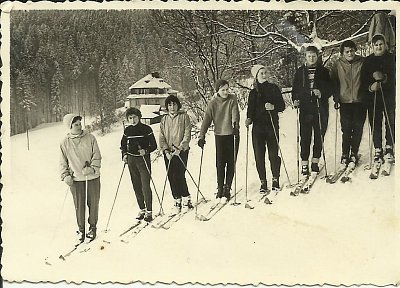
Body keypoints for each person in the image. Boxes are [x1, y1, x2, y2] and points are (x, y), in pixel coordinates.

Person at [60, 113, 102, 244]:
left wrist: (93, 168)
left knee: (93, 204)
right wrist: (65, 175)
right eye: (76, 124)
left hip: (92, 177)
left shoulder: (90, 138)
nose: (79, 126)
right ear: (70, 126)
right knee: (79, 206)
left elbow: (97, 155)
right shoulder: (65, 142)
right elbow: (62, 162)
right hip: (76, 180)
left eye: (80, 124)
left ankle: (92, 228)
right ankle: (81, 229)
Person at [292, 45, 332, 176]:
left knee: (319, 135)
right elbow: (295, 89)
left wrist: (321, 92)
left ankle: (315, 162)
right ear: (305, 57)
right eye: (309, 56)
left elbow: (330, 89)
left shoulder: (324, 71)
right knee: (305, 136)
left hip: (320, 107)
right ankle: (304, 163)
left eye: (314, 55)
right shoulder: (300, 71)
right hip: (305, 109)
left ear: (317, 56)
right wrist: (295, 99)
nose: (312, 58)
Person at [198, 79, 240, 204]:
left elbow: (235, 114)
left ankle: (227, 187)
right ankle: (220, 186)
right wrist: (201, 136)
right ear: (217, 91)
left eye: (227, 89)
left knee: (231, 162)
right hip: (219, 135)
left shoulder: (232, 99)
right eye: (223, 90)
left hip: (232, 134)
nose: (226, 92)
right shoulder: (213, 103)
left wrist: (235, 126)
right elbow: (207, 119)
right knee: (220, 163)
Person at [245, 65, 285, 193]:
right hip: (257, 128)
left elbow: (282, 106)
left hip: (271, 125)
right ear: (256, 76)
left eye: (265, 72)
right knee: (259, 156)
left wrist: (273, 106)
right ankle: (263, 181)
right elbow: (250, 110)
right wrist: (248, 119)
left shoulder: (273, 88)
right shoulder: (253, 92)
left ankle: (275, 178)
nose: (264, 75)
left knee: (273, 154)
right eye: (261, 73)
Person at [360, 33, 395, 165]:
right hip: (373, 97)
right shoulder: (368, 61)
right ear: (372, 46)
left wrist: (385, 79)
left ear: (385, 45)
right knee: (375, 122)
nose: (379, 47)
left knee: (390, 121)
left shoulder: (392, 58)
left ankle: (389, 147)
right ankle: (378, 148)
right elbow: (363, 81)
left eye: (381, 44)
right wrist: (371, 86)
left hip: (389, 96)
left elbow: (395, 77)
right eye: (376, 45)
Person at [330, 40, 366, 168]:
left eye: (351, 50)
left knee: (358, 128)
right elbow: (333, 82)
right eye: (347, 51)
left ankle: (354, 153)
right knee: (346, 129)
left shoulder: (362, 61)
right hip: (345, 102)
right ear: (342, 53)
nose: (350, 53)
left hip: (360, 101)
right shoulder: (337, 65)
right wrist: (336, 98)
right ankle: (345, 153)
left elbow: (367, 79)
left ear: (354, 50)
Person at [120, 107, 157, 222]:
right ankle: (142, 209)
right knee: (136, 185)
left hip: (143, 160)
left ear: (139, 117)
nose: (132, 120)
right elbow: (123, 144)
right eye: (130, 118)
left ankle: (149, 211)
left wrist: (145, 150)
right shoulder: (127, 130)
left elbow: (154, 145)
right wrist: (124, 154)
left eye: (134, 117)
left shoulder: (146, 129)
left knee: (145, 185)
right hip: (131, 160)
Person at [159, 95, 194, 214]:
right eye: (169, 105)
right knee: (171, 176)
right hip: (169, 152)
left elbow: (187, 134)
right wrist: (165, 150)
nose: (172, 107)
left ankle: (186, 198)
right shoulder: (164, 119)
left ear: (178, 105)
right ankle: (177, 199)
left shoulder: (184, 117)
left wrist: (181, 147)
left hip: (181, 151)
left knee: (180, 174)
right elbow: (161, 136)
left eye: (174, 104)